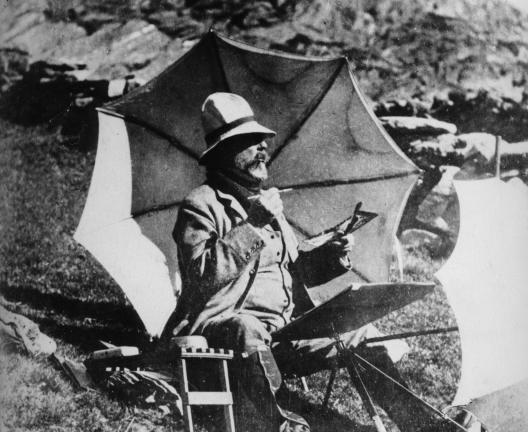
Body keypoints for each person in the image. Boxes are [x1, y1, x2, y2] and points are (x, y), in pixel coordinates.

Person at [162, 92, 443, 432]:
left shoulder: (266, 205)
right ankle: (280, 421)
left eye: (262, 141)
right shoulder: (202, 205)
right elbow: (199, 276)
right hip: (223, 330)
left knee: (360, 333)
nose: (262, 149)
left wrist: (332, 254)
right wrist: (251, 226)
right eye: (249, 143)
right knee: (246, 327)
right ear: (223, 153)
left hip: (281, 332)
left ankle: (426, 426)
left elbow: (293, 272)